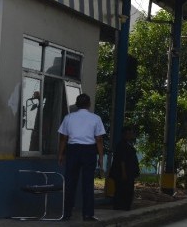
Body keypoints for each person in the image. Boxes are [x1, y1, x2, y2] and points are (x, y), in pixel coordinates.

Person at [58, 93, 105, 221]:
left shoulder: (68, 117)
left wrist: (61, 154)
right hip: (89, 151)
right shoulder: (96, 118)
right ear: (89, 104)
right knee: (88, 183)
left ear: (77, 105)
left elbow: (63, 138)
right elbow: (99, 139)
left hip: (72, 150)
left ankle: (66, 213)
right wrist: (100, 157)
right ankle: (88, 214)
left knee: (70, 182)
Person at [110, 126, 140, 210]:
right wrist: (123, 173)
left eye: (131, 133)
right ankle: (120, 207)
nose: (131, 135)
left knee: (127, 191)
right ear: (124, 134)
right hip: (123, 173)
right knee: (122, 190)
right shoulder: (122, 145)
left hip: (129, 172)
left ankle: (125, 206)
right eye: (129, 133)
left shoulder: (128, 144)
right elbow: (122, 160)